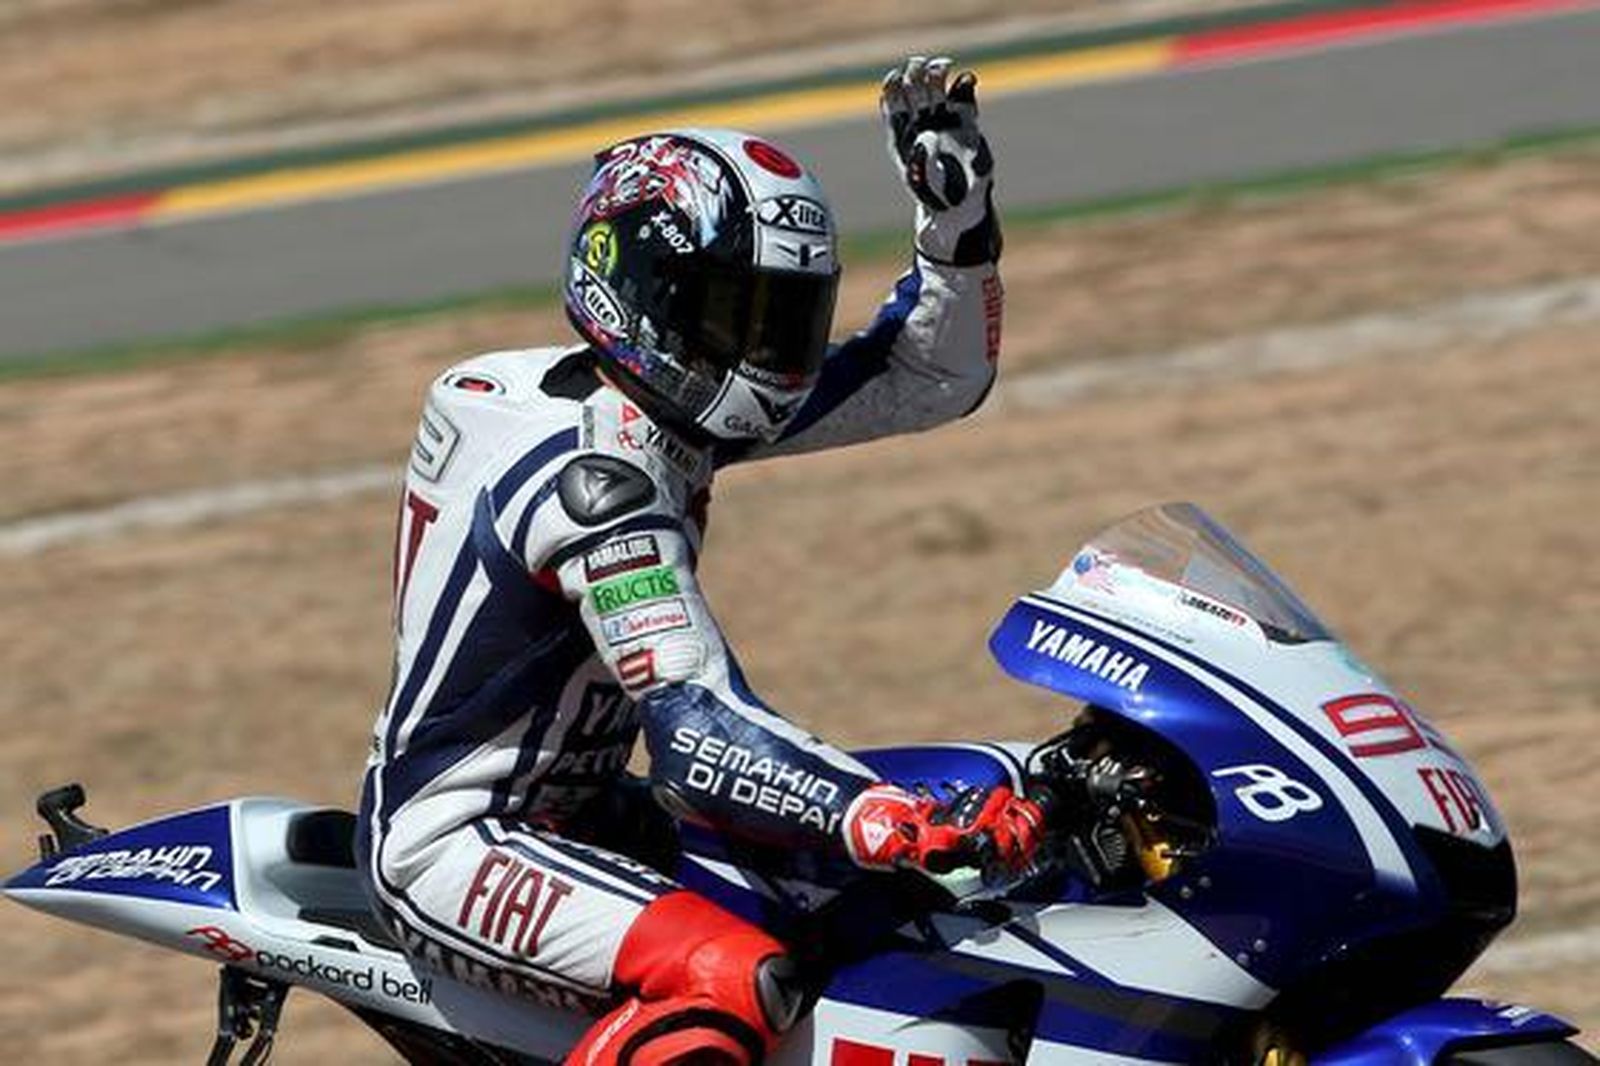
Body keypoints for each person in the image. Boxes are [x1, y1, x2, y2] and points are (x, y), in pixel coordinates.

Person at [355, 56, 1040, 1066]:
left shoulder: (654, 406)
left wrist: (956, 228)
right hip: (459, 840)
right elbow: (694, 722)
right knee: (736, 974)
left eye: (788, 317)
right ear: (645, 294)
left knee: (855, 911)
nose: (771, 353)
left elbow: (924, 377)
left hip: (587, 811)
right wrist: (875, 813)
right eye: (738, 315)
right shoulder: (597, 482)